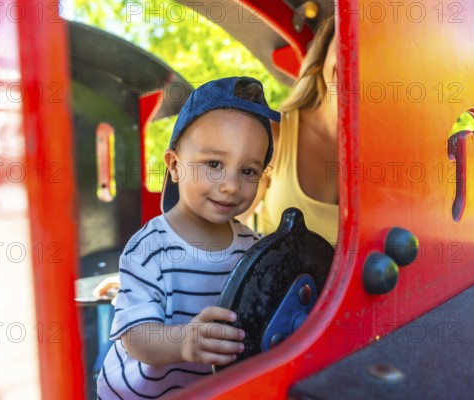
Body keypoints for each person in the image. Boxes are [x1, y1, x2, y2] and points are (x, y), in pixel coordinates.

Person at [96, 76, 281, 399]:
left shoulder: (253, 250)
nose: (231, 186)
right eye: (213, 164)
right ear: (175, 166)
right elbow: (135, 337)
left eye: (248, 171)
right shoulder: (149, 249)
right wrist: (183, 342)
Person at [241, 15, 339, 245]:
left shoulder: (394, 154)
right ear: (324, 53)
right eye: (346, 46)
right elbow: (219, 234)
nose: (355, 62)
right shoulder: (273, 134)